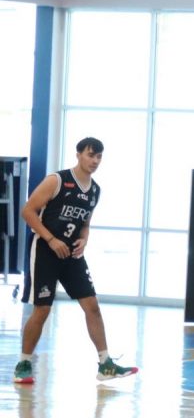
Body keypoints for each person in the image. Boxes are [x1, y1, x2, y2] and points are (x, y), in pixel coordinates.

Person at [13, 137, 138, 384]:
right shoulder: (57, 180)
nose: (95, 161)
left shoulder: (95, 190)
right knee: (42, 309)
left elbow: (85, 223)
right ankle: (23, 364)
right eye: (91, 155)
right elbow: (27, 211)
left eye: (99, 157)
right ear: (78, 154)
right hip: (46, 250)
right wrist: (51, 239)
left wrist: (84, 238)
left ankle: (105, 364)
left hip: (71, 254)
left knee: (92, 305)